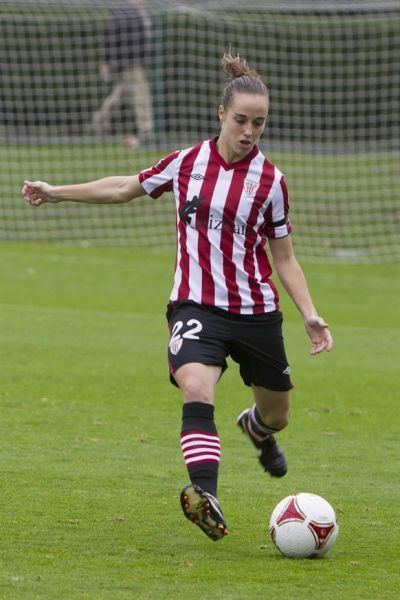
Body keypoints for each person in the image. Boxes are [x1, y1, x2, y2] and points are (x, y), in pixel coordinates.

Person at [22, 53, 333, 542]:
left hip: (255, 312)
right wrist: (57, 191)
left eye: (259, 123)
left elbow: (285, 257)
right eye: (241, 120)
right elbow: (126, 186)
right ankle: (205, 495)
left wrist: (310, 314)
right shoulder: (187, 162)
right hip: (194, 305)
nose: (250, 131)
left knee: (278, 414)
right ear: (221, 114)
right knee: (195, 387)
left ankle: (256, 429)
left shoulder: (271, 182)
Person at [92, 0, 153, 148]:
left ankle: (99, 119)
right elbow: (110, 37)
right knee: (141, 95)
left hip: (137, 61)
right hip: (130, 62)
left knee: (120, 93)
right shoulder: (122, 11)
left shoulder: (140, 11)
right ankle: (146, 131)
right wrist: (106, 61)